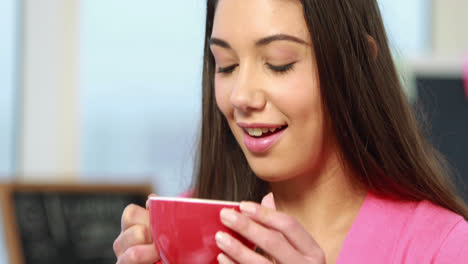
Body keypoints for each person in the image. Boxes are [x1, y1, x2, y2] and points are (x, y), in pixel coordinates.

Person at [113, 0, 468, 263]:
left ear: (356, 66)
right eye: (227, 66)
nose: (240, 97)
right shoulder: (189, 219)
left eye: (278, 64)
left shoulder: (444, 247)